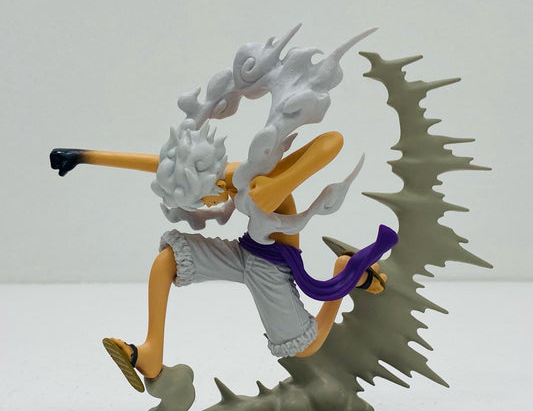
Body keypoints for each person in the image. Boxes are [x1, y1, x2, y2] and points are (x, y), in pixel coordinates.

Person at [51, 130, 395, 392]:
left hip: (270, 267)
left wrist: (286, 179)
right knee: (168, 260)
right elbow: (159, 165)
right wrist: (81, 157)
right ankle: (151, 352)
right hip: (243, 252)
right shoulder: (228, 176)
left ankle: (345, 273)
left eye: (202, 199)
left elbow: (333, 140)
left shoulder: (261, 187)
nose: (207, 204)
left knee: (305, 347)